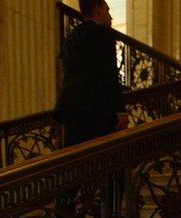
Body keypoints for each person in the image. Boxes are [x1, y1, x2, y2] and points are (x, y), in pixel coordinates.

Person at [55, 0, 128, 148]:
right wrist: (119, 109)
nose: (111, 17)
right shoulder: (102, 32)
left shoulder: (70, 38)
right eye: (108, 11)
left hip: (69, 105)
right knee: (107, 155)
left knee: (76, 158)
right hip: (94, 105)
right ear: (98, 10)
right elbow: (108, 73)